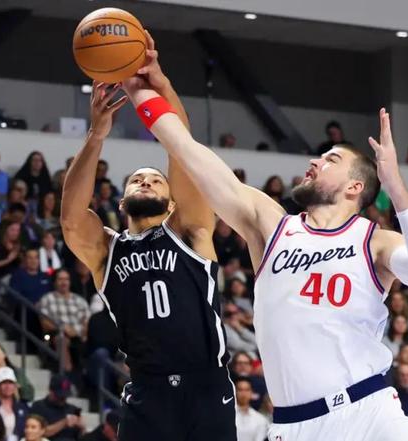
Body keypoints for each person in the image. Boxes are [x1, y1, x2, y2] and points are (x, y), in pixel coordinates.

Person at [127, 55, 408, 439]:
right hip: (293, 425)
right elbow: (188, 151)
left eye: (330, 159)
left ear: (355, 186)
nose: (314, 161)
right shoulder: (272, 226)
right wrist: (143, 90)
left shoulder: (374, 240)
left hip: (367, 414)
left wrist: (395, 186)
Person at [61, 32, 235, 441]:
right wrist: (96, 134)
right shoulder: (108, 250)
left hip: (206, 386)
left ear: (173, 203)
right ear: (122, 203)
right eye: (137, 180)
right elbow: (71, 219)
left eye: (156, 180)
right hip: (147, 391)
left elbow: (183, 151)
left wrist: (162, 85)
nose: (145, 180)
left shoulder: (190, 231)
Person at [38, 269, 90, 375]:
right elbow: (45, 323)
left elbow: (87, 323)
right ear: (55, 282)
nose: (64, 282)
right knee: (62, 339)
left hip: (79, 337)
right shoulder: (47, 299)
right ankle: (67, 374)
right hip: (57, 335)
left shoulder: (80, 300)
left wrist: (75, 331)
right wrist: (63, 328)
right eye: (60, 279)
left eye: (66, 279)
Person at [29, 375, 84, 441]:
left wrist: (82, 428)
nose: (62, 399)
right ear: (50, 391)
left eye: (65, 396)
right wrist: (64, 423)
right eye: (59, 396)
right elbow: (39, 433)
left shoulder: (73, 409)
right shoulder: (38, 406)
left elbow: (81, 437)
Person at [0, 367, 29, 441]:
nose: (7, 386)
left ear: (15, 385)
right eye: (4, 383)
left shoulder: (23, 406)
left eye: (10, 383)